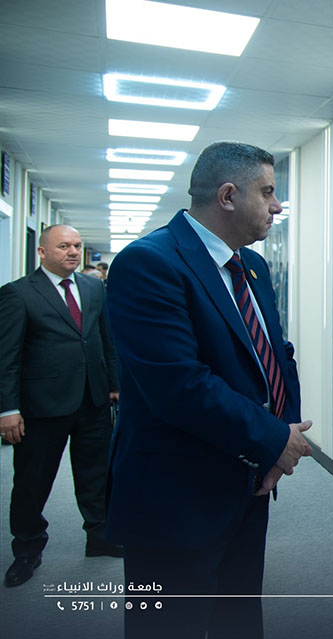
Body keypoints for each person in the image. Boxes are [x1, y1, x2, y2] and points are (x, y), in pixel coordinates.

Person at [105, 141, 313, 639]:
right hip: (177, 494)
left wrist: (279, 436)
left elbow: (274, 354)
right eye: (267, 192)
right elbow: (179, 385)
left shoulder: (252, 266)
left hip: (247, 479)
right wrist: (272, 439)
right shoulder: (149, 262)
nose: (277, 205)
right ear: (227, 196)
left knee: (236, 619)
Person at [0, 224, 121, 588]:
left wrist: (114, 384)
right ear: (42, 252)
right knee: (32, 481)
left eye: (77, 246)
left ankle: (100, 537)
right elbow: (7, 358)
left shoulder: (93, 288)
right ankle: (27, 548)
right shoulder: (18, 293)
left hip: (92, 400)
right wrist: (7, 409)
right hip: (42, 407)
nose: (73, 252)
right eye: (64, 246)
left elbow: (105, 339)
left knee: (97, 475)